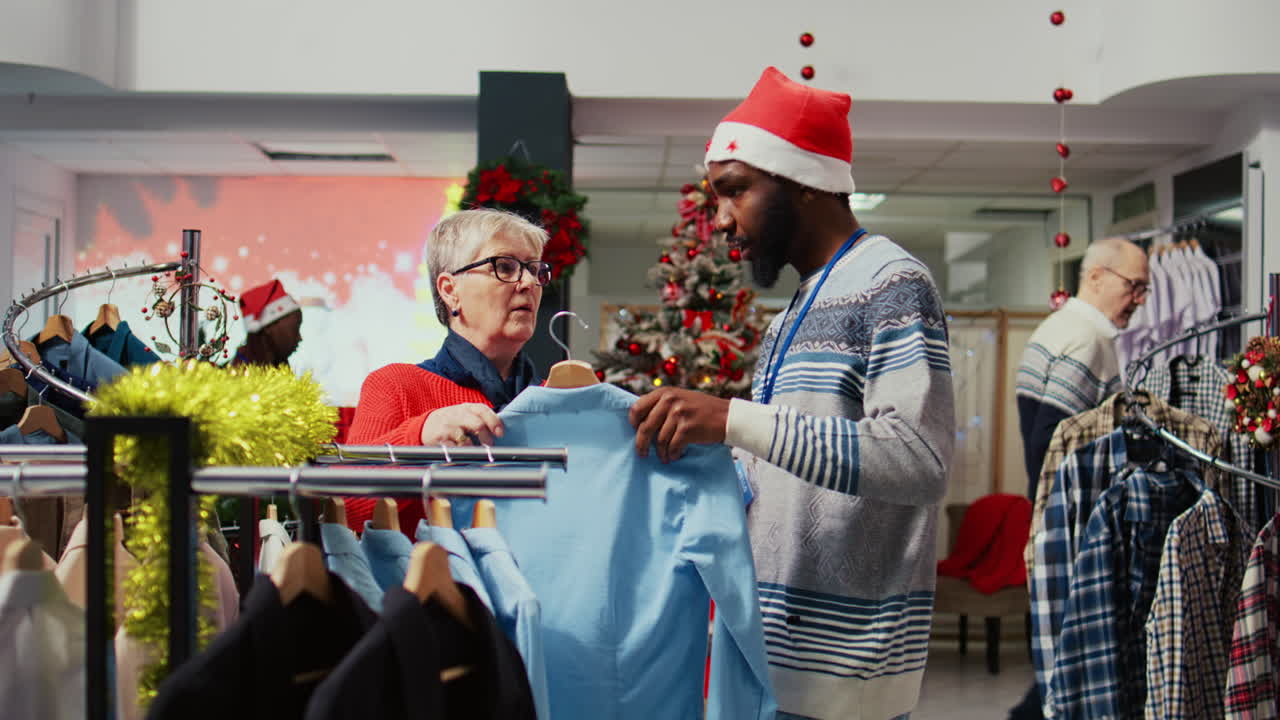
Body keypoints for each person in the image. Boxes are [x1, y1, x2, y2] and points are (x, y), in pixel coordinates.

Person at [629, 66, 955, 719]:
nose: (720, 219)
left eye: (735, 191)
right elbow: (782, 473)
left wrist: (731, 420)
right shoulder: (789, 316)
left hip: (848, 676)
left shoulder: (892, 281)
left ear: (804, 182)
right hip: (772, 659)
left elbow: (919, 460)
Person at [1006, 235, 1149, 720]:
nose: (1140, 299)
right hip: (1072, 521)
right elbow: (1052, 442)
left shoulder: (1060, 327)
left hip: (1056, 515)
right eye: (1134, 286)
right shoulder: (1086, 340)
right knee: (1072, 649)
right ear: (1095, 277)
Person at [343, 208, 550, 531]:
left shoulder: (557, 399)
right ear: (450, 290)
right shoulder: (397, 385)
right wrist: (420, 439)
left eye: (534, 270)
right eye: (505, 267)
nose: (528, 282)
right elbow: (347, 511)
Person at [232, 278, 304, 366]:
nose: (300, 338)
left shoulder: (278, 368)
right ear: (270, 329)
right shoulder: (237, 373)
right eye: (295, 330)